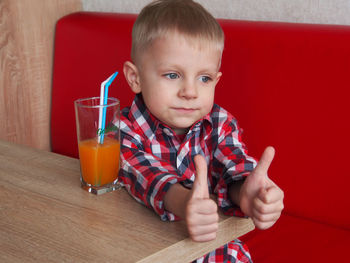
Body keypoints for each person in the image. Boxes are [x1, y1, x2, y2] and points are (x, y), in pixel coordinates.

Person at [119, 0, 284, 262]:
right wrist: (185, 203)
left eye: (204, 78)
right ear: (135, 77)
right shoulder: (124, 130)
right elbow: (143, 174)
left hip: (216, 253)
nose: (190, 92)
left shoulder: (220, 123)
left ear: (216, 81)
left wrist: (247, 194)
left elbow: (233, 166)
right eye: (173, 75)